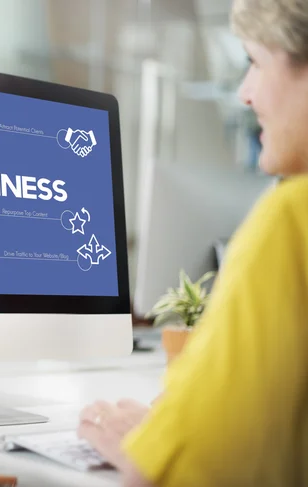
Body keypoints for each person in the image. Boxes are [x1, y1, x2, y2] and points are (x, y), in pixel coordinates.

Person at [77, 0, 308, 485]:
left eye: (255, 62)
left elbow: (197, 469)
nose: (245, 93)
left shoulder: (291, 218)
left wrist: (148, 444)